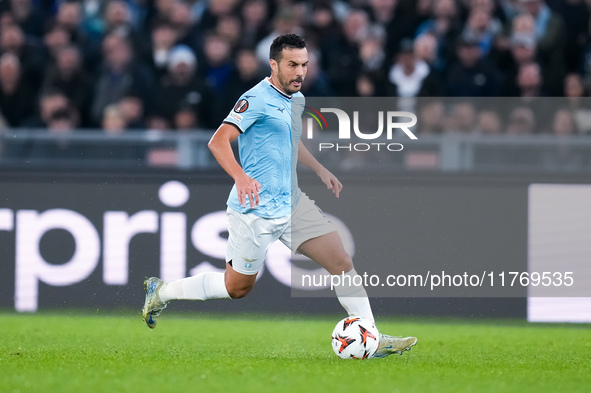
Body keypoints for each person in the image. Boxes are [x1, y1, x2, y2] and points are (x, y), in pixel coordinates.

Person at [141, 33, 417, 358]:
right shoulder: (255, 98)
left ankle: (371, 336)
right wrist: (241, 177)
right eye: (292, 65)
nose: (300, 72)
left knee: (341, 261)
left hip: (292, 204)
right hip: (254, 211)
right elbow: (218, 141)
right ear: (274, 65)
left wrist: (318, 169)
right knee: (237, 288)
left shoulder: (295, 99)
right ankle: (162, 292)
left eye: (304, 64)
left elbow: (290, 139)